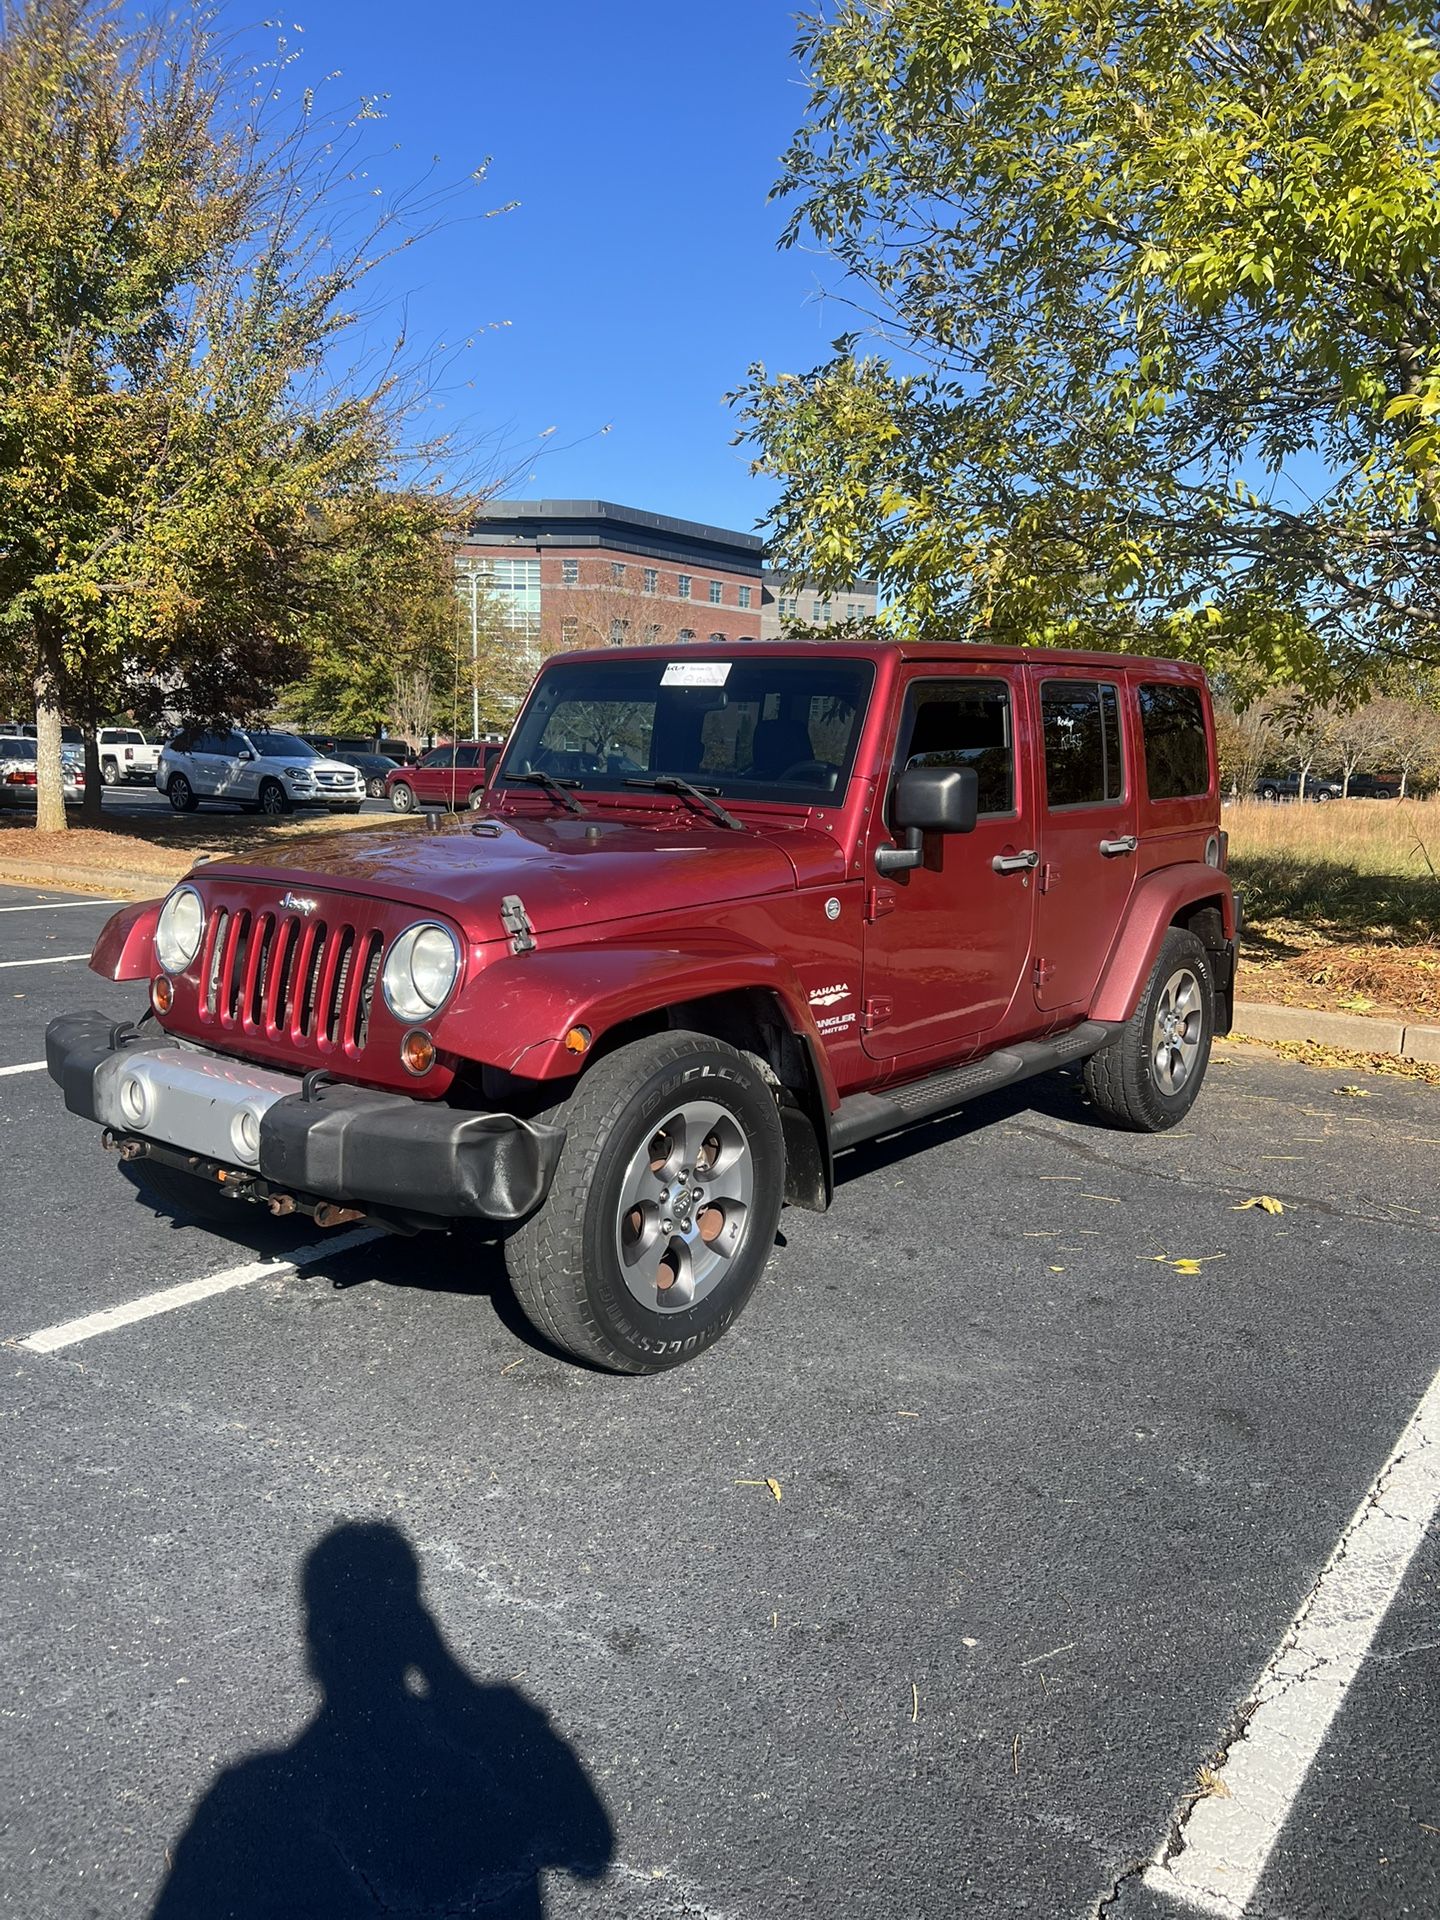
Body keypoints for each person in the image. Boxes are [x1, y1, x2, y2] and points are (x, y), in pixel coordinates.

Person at [151, 1522, 613, 1918]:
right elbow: (589, 1846)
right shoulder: (489, 1746)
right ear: (414, 1630)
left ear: (316, 1642)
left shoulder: (254, 1797)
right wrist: (449, 1678)